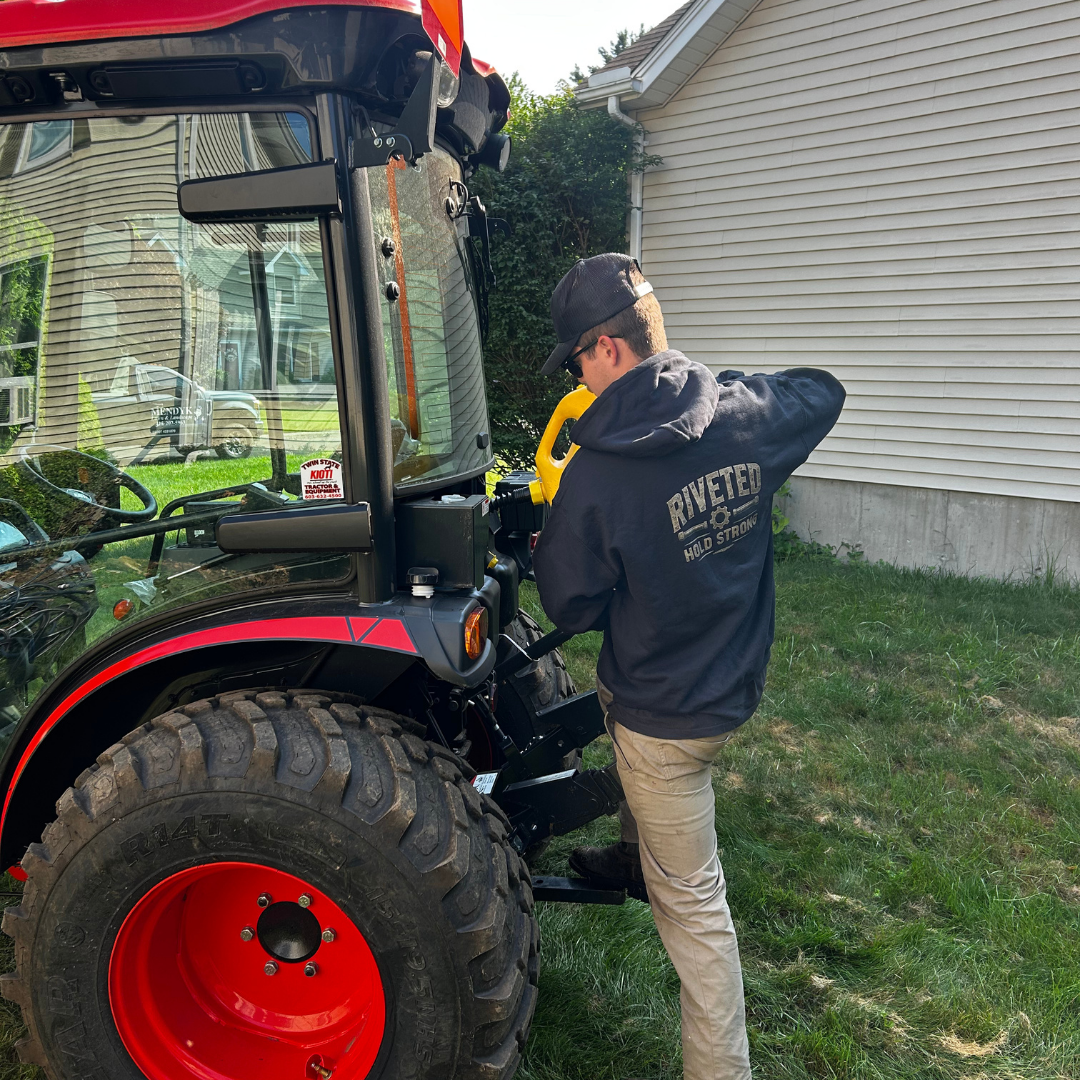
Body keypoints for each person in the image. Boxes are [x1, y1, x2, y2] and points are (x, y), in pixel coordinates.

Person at [531, 253, 846, 1080]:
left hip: (664, 721)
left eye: (574, 360)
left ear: (606, 349)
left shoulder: (596, 477)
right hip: (730, 687)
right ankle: (638, 856)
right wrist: (713, 389)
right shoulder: (744, 414)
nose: (576, 377)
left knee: (697, 911)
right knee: (630, 732)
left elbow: (568, 607)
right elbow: (824, 389)